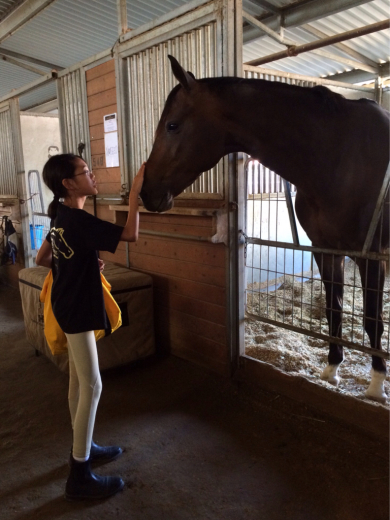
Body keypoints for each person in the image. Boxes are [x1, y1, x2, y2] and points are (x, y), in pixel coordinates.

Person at [36, 153, 145, 501]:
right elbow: (131, 233)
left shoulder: (60, 215)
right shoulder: (79, 220)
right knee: (93, 386)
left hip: (65, 304)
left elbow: (43, 258)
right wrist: (135, 195)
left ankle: (82, 444)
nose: (92, 175)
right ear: (69, 184)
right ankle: (79, 474)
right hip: (79, 308)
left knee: (78, 381)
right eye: (85, 172)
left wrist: (81, 262)